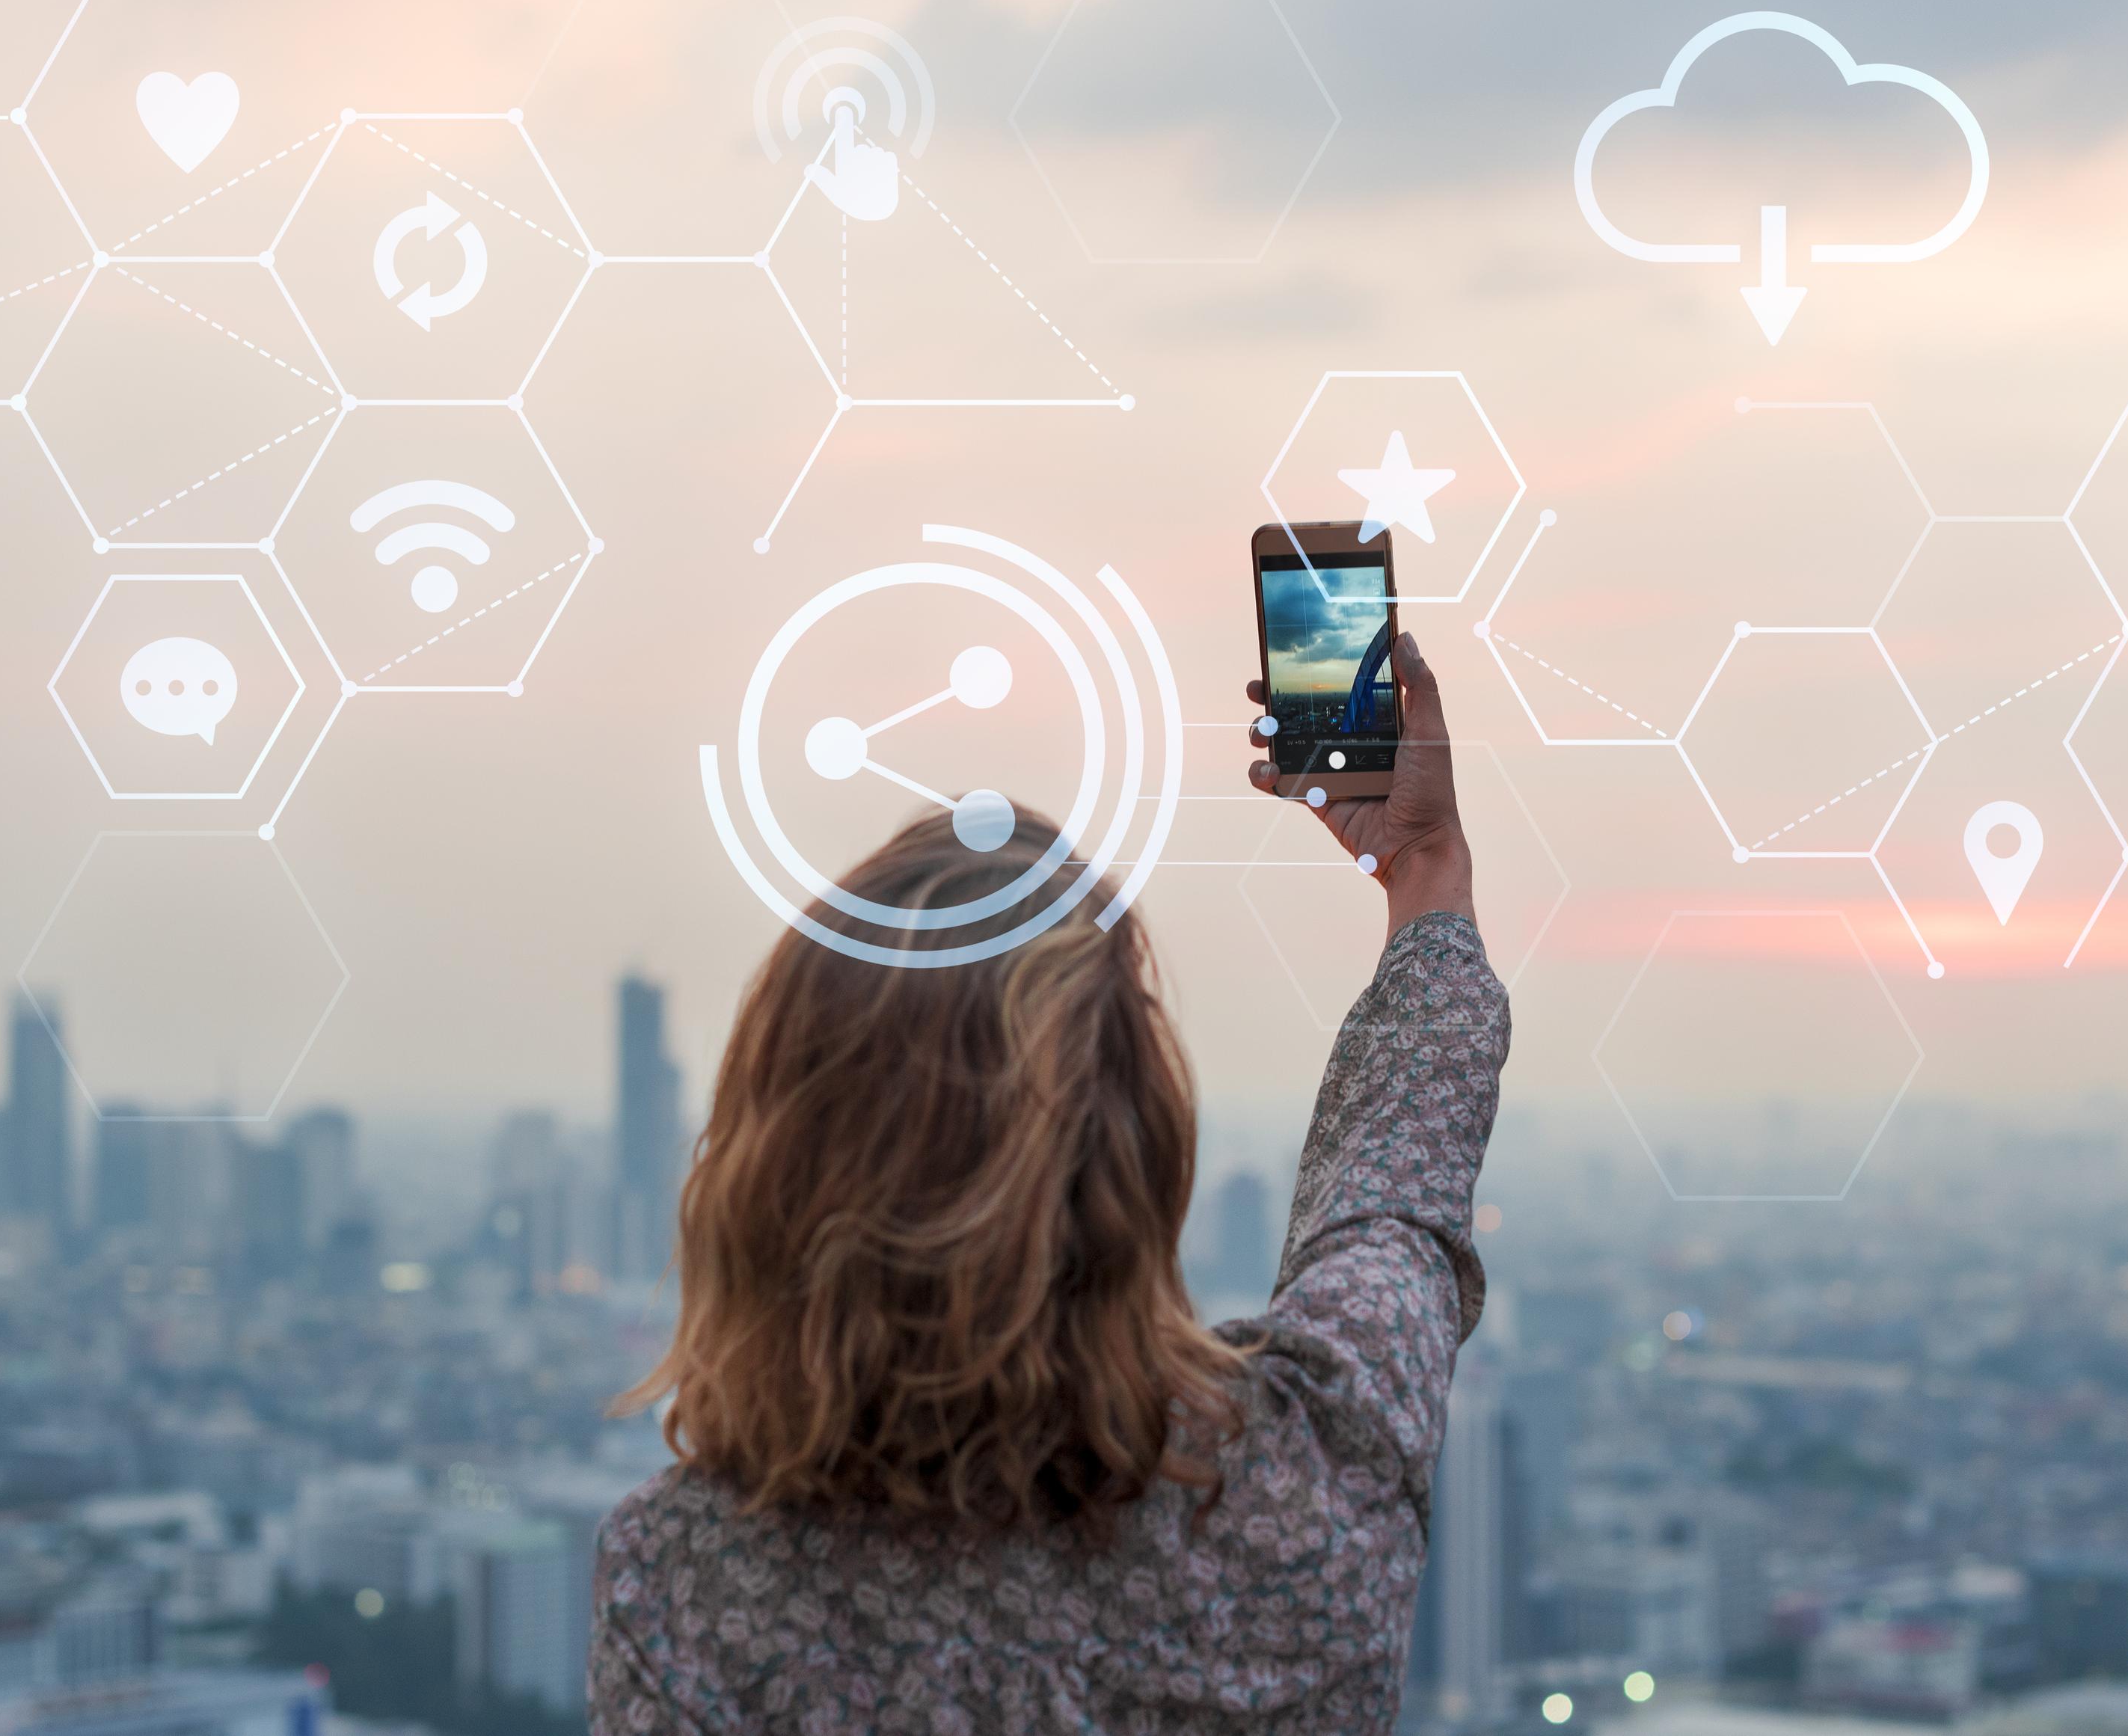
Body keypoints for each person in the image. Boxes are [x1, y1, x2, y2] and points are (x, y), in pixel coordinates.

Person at [590, 631, 1508, 1733]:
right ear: (1139, 1145)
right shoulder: (1298, 1487)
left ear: (777, 1162)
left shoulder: (689, 1590)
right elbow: (1394, 1200)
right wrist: (1425, 871)